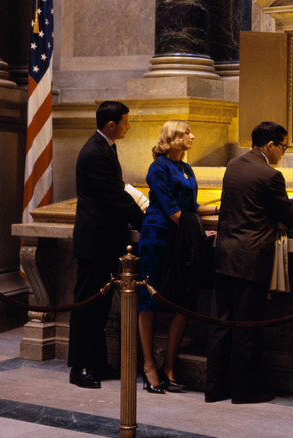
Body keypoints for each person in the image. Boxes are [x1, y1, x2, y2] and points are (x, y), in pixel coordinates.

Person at [205, 121, 293, 404]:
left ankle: (215, 388)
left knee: (220, 323)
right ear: (270, 145)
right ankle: (243, 391)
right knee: (247, 327)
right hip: (250, 259)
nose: (283, 152)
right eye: (283, 146)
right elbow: (288, 216)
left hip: (224, 255)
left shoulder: (234, 165)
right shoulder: (271, 175)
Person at [68, 101, 145, 389]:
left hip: (105, 240)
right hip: (94, 242)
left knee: (99, 308)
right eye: (126, 122)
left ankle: (97, 362)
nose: (128, 126)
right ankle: (80, 367)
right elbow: (113, 196)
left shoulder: (104, 147)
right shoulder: (94, 152)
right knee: (87, 304)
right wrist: (144, 220)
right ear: (111, 124)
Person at [138, 120, 217, 394]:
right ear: (171, 139)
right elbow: (171, 210)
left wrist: (220, 210)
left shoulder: (185, 167)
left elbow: (190, 207)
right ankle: (149, 366)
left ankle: (168, 367)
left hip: (180, 237)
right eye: (186, 133)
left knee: (184, 302)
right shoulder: (158, 167)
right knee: (149, 300)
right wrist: (199, 229)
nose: (192, 136)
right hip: (158, 237)